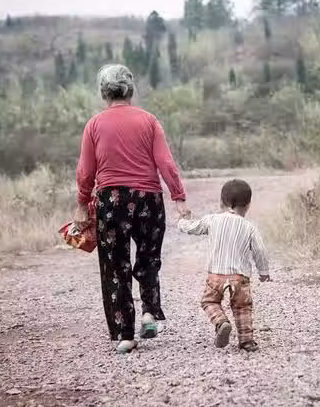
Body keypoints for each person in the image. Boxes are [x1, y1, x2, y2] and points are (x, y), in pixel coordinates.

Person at [74, 64, 190, 354]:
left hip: (111, 201)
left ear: (104, 92)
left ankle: (125, 335)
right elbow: (165, 162)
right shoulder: (149, 121)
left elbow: (86, 171)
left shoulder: (94, 125)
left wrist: (82, 203)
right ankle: (149, 312)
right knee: (149, 258)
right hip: (149, 199)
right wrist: (178, 196)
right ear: (130, 90)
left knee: (115, 266)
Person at [177, 179, 271, 352]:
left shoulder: (212, 220)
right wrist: (264, 272)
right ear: (248, 205)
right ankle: (247, 341)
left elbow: (192, 227)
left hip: (216, 275)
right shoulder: (249, 227)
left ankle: (221, 322)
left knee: (209, 301)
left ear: (221, 202)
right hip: (240, 277)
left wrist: (183, 221)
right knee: (242, 307)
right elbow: (260, 251)